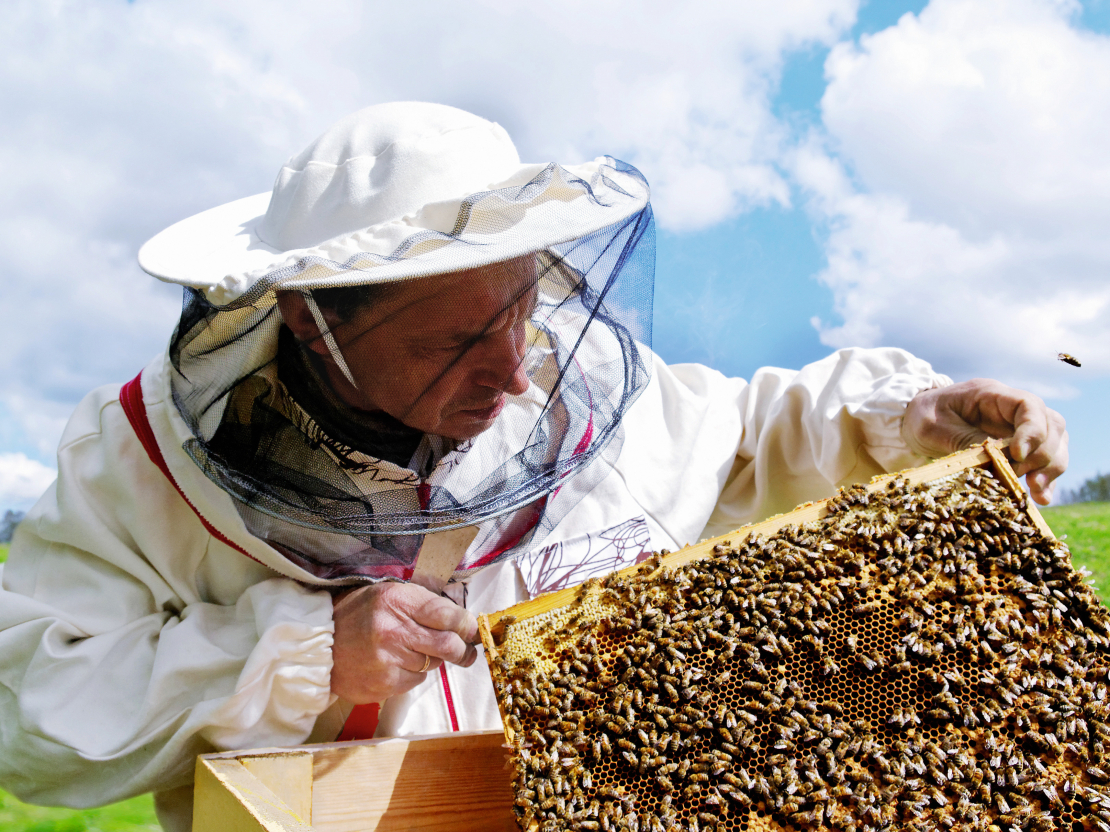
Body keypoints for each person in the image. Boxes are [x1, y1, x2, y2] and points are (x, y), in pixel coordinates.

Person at [0, 102, 1067, 832]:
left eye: (518, 310)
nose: (512, 372)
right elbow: (27, 711)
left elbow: (745, 433)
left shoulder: (580, 381)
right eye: (453, 342)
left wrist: (912, 420)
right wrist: (301, 654)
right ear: (311, 321)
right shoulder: (134, 461)